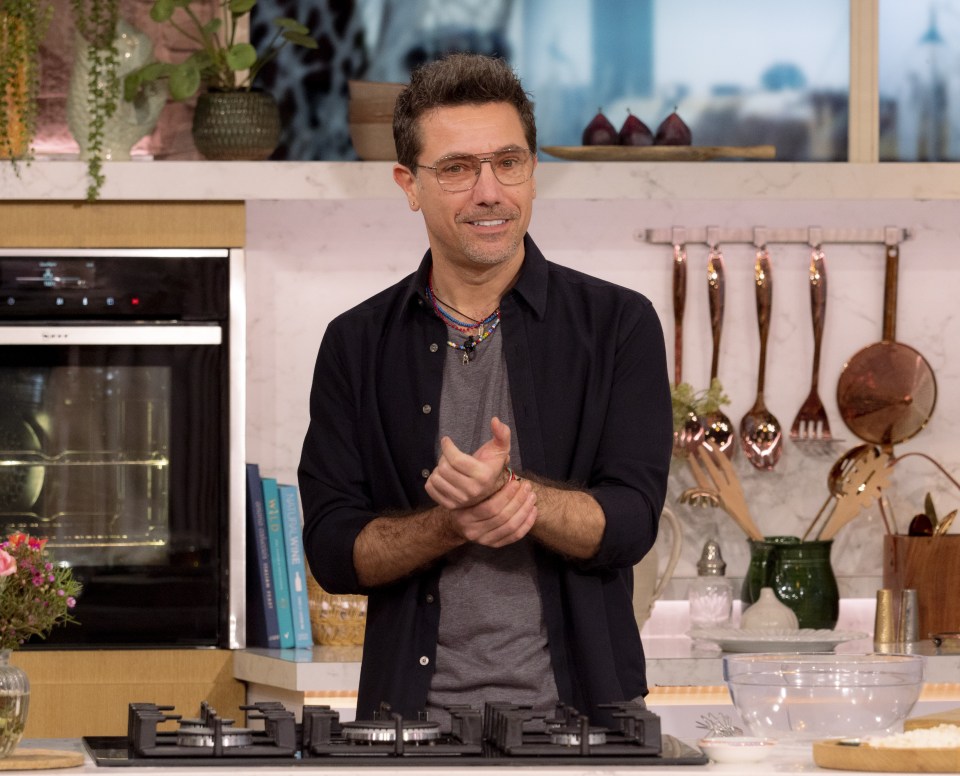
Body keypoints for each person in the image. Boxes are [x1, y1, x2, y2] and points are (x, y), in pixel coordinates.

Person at [299, 52, 672, 730]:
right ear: (408, 184)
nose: (489, 191)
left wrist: (511, 500)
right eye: (457, 169)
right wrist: (452, 523)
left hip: (585, 726)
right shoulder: (356, 343)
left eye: (509, 162)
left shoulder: (619, 325)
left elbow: (630, 523)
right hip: (406, 731)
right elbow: (331, 549)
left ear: (532, 171)